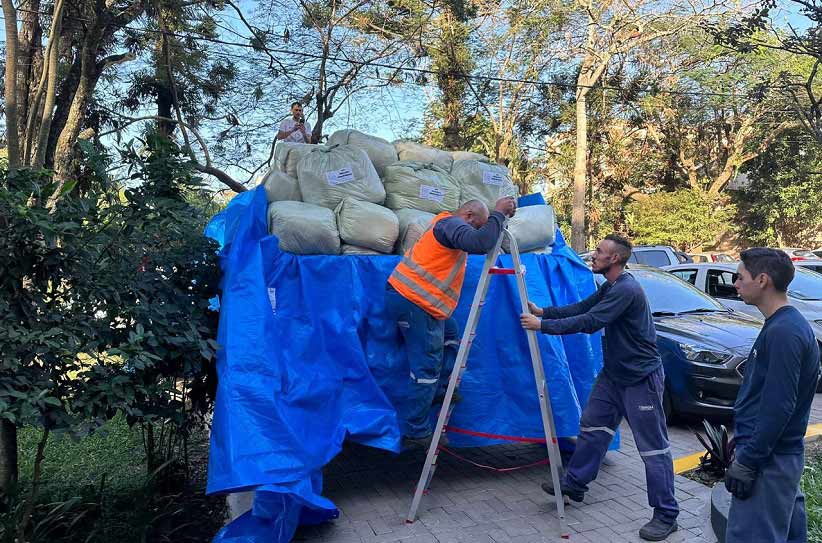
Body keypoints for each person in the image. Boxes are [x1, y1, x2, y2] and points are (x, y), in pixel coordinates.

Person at [519, 234, 679, 542]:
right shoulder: (611, 285)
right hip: (614, 374)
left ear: (615, 259)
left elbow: (591, 321)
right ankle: (575, 484)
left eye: (600, 252)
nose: (593, 255)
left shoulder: (627, 290)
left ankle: (666, 514)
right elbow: (583, 306)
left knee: (653, 447)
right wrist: (544, 312)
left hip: (640, 378)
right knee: (593, 427)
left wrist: (543, 327)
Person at [386, 198, 517, 449]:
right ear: (468, 215)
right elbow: (480, 243)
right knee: (426, 366)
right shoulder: (451, 225)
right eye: (477, 225)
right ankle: (416, 430)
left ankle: (439, 391)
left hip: (424, 303)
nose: (477, 231)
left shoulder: (448, 225)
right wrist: (499, 213)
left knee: (451, 337)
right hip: (413, 300)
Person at [724, 248, 820, 543]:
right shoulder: (784, 326)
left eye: (740, 278)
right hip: (776, 458)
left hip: (769, 461)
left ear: (762, 280)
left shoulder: (785, 332)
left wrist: (749, 460)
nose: (736, 284)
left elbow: (779, 406)